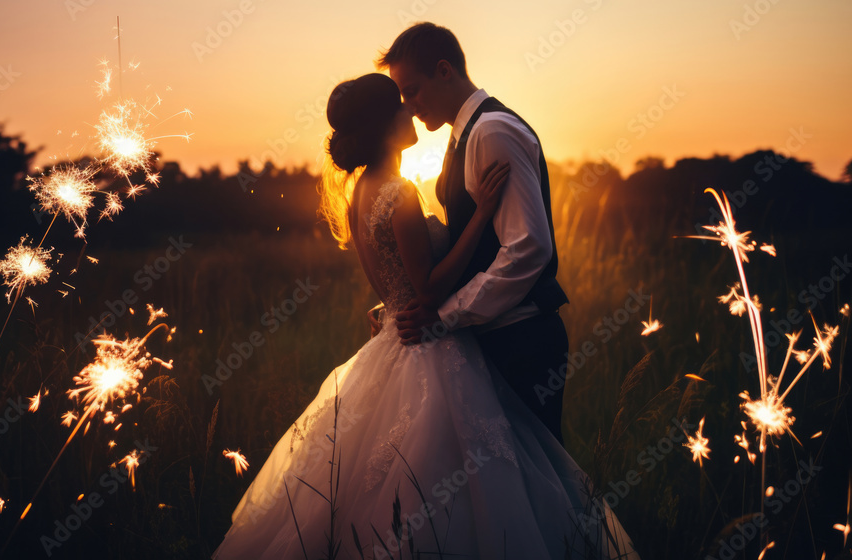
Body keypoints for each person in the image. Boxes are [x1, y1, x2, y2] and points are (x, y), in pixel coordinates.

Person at [213, 73, 636, 559]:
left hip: (393, 336)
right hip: (430, 346)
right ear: (383, 126)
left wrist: (390, 304)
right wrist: (481, 215)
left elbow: (392, 282)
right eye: (400, 107)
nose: (410, 112)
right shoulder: (399, 193)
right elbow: (429, 287)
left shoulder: (359, 193)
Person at [381, 22, 570, 447]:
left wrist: (446, 316)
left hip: (521, 338)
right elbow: (465, 244)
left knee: (539, 488)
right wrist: (400, 303)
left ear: (444, 70)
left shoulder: (491, 131)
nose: (409, 106)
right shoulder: (461, 135)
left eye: (412, 90)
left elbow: (528, 248)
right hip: (493, 335)